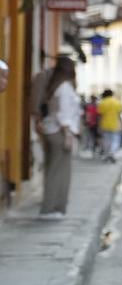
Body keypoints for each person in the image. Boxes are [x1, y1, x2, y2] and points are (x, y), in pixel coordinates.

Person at [35, 51, 79, 218]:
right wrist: (68, 135)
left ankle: (52, 207)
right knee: (59, 172)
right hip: (60, 132)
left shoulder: (54, 85)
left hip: (51, 130)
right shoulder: (65, 88)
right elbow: (64, 114)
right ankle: (52, 208)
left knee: (53, 170)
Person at [97, 89, 122, 163]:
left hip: (104, 124)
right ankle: (112, 153)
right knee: (115, 140)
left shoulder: (102, 103)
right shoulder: (117, 102)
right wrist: (121, 124)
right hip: (115, 124)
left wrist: (99, 125)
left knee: (106, 140)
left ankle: (107, 154)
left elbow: (100, 115)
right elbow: (119, 114)